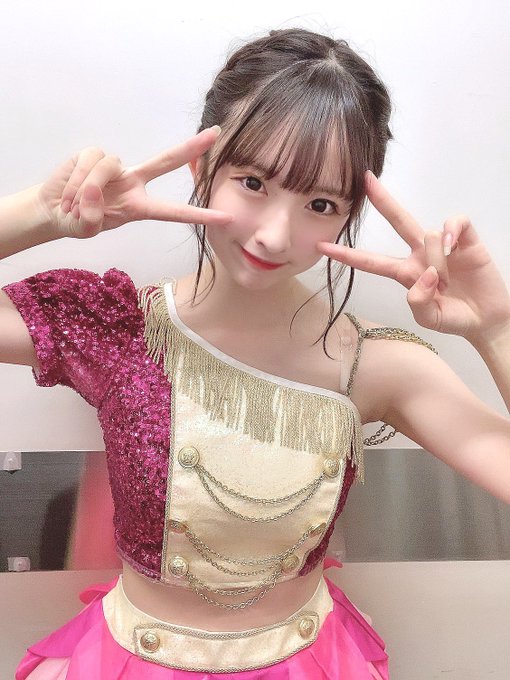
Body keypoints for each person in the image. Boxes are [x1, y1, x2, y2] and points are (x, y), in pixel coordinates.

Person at [1, 26, 509, 680]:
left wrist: (495, 328)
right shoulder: (118, 326)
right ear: (201, 168)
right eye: (252, 182)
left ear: (349, 214)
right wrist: (42, 213)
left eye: (320, 203)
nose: (274, 235)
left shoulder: (374, 365)